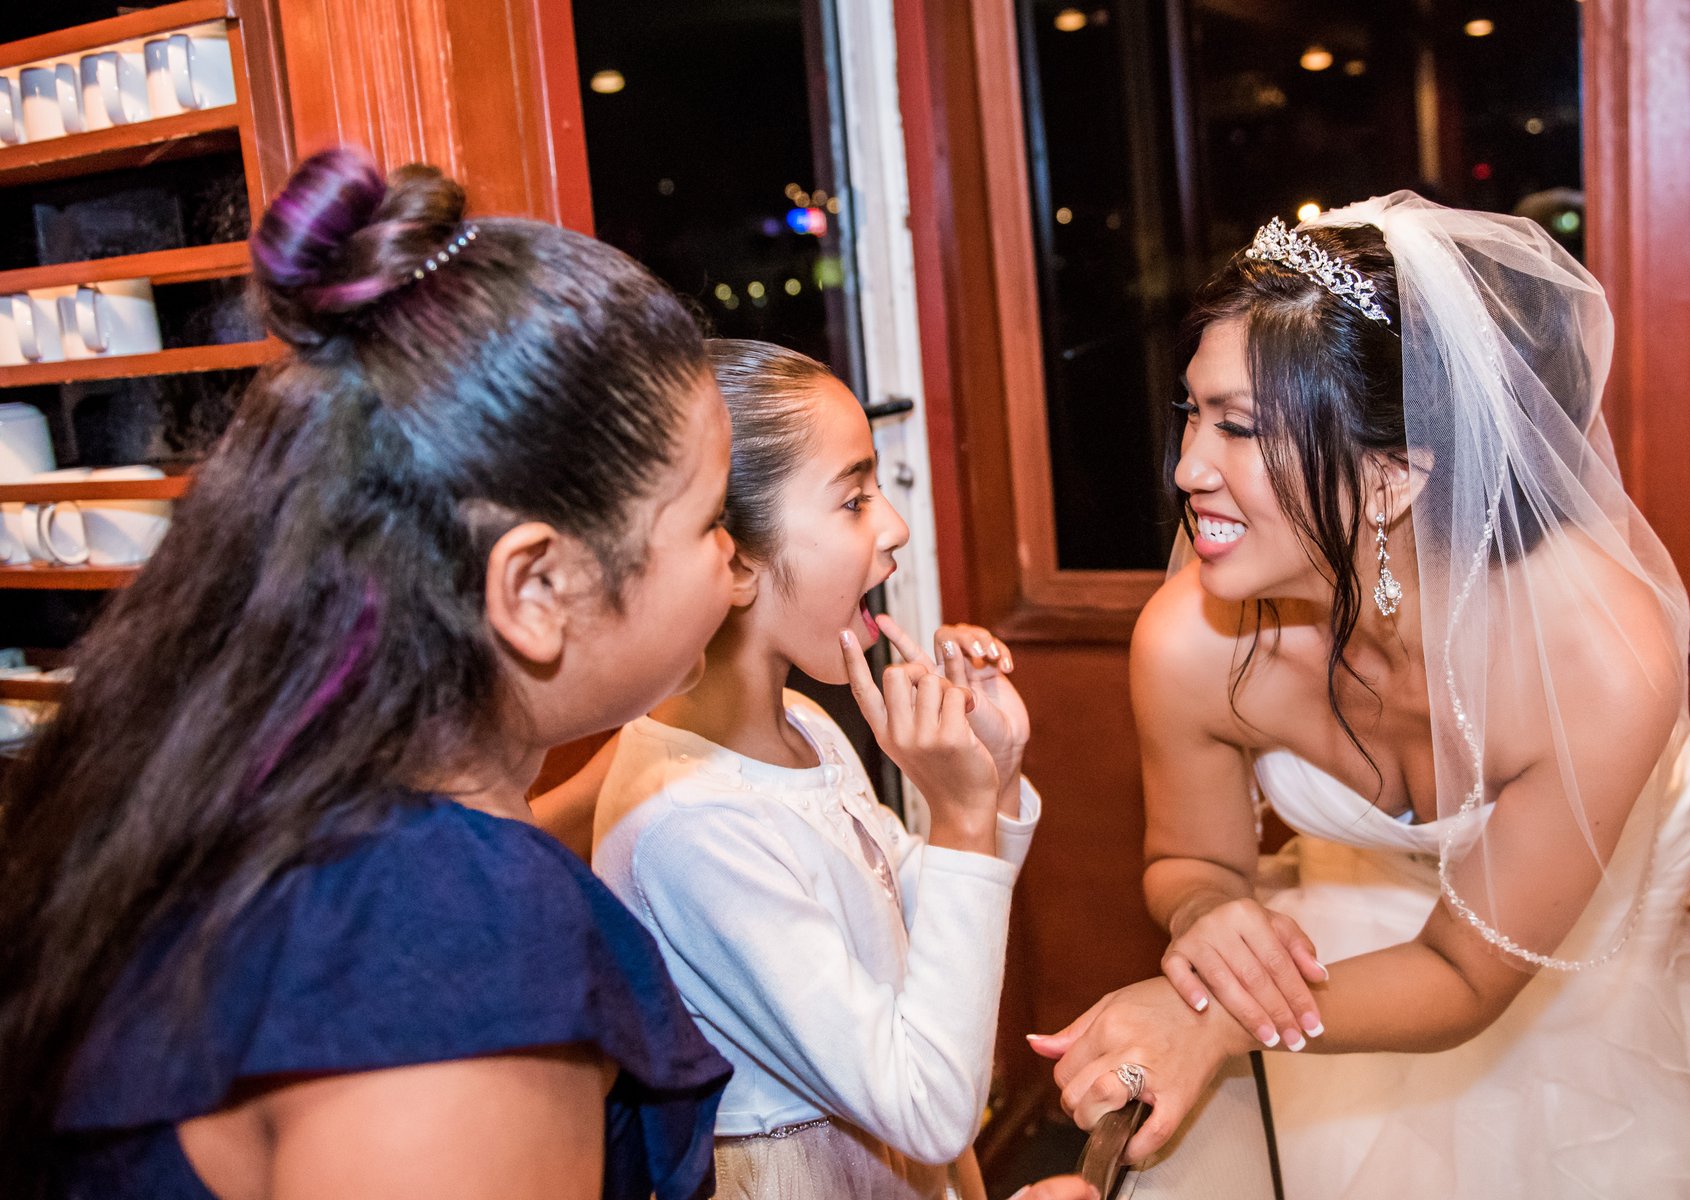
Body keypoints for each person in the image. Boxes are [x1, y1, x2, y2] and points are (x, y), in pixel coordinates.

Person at [0, 147, 736, 1200]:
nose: (734, 556)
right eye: (709, 518)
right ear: (534, 587)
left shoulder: (251, 794)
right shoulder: (463, 944)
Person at [1029, 194, 1690, 1198]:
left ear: (1391, 479)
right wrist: (1210, 912)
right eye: (1191, 415)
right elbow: (1191, 859)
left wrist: (1217, 1018)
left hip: (1590, 1028)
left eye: (1239, 427)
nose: (1187, 469)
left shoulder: (1598, 657)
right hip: (1332, 977)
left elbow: (1468, 972)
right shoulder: (1192, 642)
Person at [592, 339, 1039, 1199]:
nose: (895, 526)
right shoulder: (692, 829)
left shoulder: (804, 725)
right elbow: (930, 1106)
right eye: (854, 498)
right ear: (736, 560)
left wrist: (992, 776)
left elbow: (915, 919)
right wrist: (957, 816)